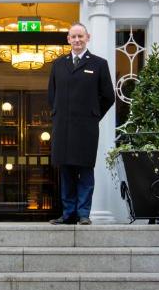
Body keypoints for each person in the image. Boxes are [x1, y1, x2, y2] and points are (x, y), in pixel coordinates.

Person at [47, 22, 114, 225]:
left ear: (88, 38)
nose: (77, 40)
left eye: (80, 36)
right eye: (73, 37)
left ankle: (83, 214)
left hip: (86, 128)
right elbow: (52, 95)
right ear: (68, 39)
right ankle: (68, 214)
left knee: (85, 170)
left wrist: (94, 115)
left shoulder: (98, 64)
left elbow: (108, 96)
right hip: (63, 128)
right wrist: (58, 114)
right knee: (66, 171)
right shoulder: (58, 64)